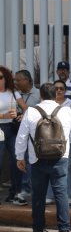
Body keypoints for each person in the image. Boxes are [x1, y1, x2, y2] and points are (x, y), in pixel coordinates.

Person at [15, 83, 71, 232]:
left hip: (37, 159)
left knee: (38, 196)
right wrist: (64, 145)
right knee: (61, 195)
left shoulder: (31, 112)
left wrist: (19, 158)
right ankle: (64, 231)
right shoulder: (66, 111)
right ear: (56, 95)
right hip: (60, 158)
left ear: (41, 96)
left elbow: (21, 137)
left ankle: (38, 231)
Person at [13, 69, 41, 205]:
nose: (15, 82)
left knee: (29, 162)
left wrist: (26, 116)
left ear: (27, 80)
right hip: (14, 132)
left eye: (18, 80)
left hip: (32, 136)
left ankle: (27, 190)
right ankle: (19, 190)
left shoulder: (39, 94)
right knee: (18, 161)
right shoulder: (14, 95)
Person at [0, 66, 28, 204]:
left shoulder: (13, 92)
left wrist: (22, 115)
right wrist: (3, 115)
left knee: (17, 159)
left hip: (11, 128)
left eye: (0, 77)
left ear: (6, 78)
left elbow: (25, 108)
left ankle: (16, 193)